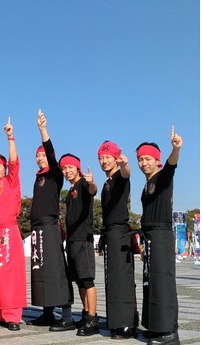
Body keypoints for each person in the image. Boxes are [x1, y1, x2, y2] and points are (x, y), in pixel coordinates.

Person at [26, 110, 74, 331]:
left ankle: (65, 315)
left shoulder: (55, 174)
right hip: (37, 229)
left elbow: (52, 153)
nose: (40, 158)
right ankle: (46, 312)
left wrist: (42, 130)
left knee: (56, 270)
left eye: (42, 155)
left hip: (50, 228)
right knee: (41, 270)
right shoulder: (38, 178)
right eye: (37, 155)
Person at [136, 126, 182, 345]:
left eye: (147, 158)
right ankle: (156, 326)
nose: (144, 163)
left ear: (157, 160)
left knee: (162, 284)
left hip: (161, 235)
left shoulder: (163, 177)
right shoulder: (146, 185)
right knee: (151, 284)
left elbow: (172, 164)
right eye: (140, 159)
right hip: (150, 237)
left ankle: (169, 332)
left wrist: (176, 148)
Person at [0, 117, 26, 331]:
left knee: (10, 275)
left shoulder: (11, 181)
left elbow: (14, 161)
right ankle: (1, 313)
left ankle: (13, 316)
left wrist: (10, 137)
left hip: (8, 232)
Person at [97, 141, 137, 339]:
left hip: (121, 233)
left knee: (122, 280)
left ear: (116, 158)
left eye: (108, 157)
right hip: (110, 233)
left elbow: (127, 173)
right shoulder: (106, 183)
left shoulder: (120, 177)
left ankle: (127, 324)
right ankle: (116, 320)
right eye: (101, 158)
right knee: (112, 279)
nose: (104, 161)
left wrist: (124, 165)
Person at [59, 153, 99, 336]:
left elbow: (92, 190)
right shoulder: (70, 191)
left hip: (83, 239)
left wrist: (91, 182)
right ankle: (85, 313)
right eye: (64, 168)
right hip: (72, 240)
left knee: (87, 280)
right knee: (79, 281)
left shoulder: (83, 183)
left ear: (77, 168)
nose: (67, 171)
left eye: (70, 167)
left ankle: (92, 318)